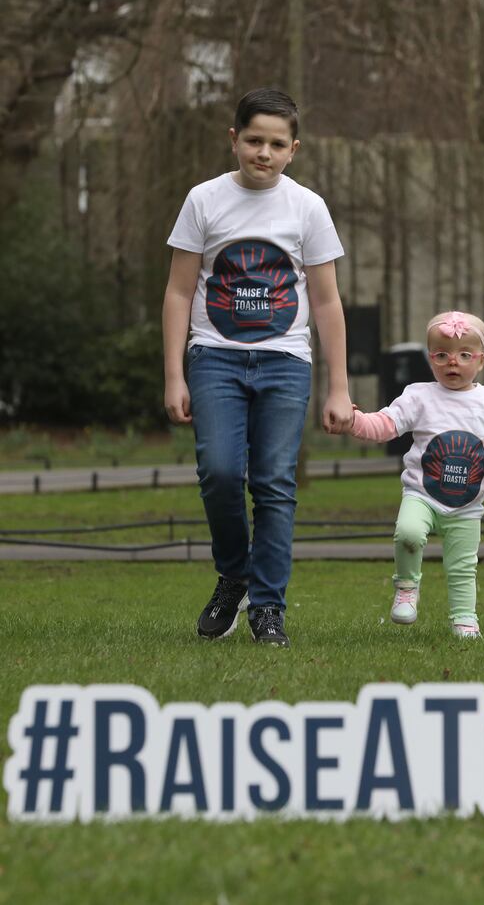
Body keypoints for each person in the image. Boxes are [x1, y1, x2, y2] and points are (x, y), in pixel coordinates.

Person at [162, 88, 352, 648]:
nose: (263, 153)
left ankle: (268, 606)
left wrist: (338, 387)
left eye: (276, 144)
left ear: (293, 149)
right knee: (220, 472)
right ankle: (235, 575)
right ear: (234, 139)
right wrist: (174, 374)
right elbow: (177, 291)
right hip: (213, 356)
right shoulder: (203, 200)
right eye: (253, 140)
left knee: (274, 483)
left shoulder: (307, 207)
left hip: (285, 362)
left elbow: (325, 302)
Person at [346, 311, 484, 638]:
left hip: (467, 506)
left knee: (462, 567)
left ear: (481, 361)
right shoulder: (419, 396)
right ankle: (406, 587)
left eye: (464, 355)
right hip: (422, 495)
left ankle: (464, 619)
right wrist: (354, 422)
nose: (452, 362)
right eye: (441, 355)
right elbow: (386, 425)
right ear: (430, 359)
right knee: (408, 534)